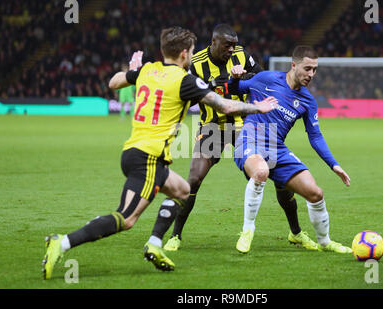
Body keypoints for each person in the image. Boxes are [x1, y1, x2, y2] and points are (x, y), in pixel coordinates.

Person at [41, 26, 277, 278]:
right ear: (185, 54)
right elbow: (225, 106)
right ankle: (62, 242)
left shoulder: (148, 69)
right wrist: (258, 108)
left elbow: (113, 82)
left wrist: (133, 70)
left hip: (138, 151)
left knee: (182, 190)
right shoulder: (186, 81)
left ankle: (154, 244)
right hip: (147, 158)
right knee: (126, 219)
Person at [163, 24, 319, 252]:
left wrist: (243, 75)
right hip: (213, 127)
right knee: (194, 179)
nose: (232, 50)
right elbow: (184, 92)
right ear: (214, 42)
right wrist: (208, 88)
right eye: (227, 45)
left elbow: (262, 77)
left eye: (234, 45)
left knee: (281, 179)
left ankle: (296, 233)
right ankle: (175, 236)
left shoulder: (241, 55)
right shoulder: (195, 62)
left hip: (247, 127)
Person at [229, 45, 353, 254]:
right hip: (250, 139)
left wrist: (334, 165)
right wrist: (234, 77)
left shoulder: (307, 101)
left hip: (277, 148)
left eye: (314, 69)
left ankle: (325, 242)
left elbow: (315, 136)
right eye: (307, 68)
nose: (311, 74)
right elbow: (236, 89)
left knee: (315, 193)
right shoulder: (266, 78)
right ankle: (247, 230)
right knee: (260, 172)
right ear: (294, 65)